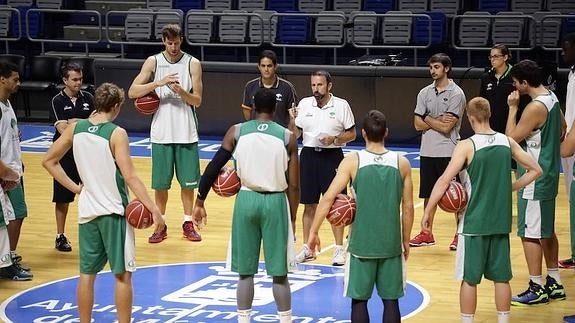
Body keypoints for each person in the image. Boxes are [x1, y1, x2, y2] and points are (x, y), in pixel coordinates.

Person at [42, 82, 165, 323]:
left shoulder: (75, 129)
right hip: (114, 212)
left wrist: (77, 188)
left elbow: (48, 161)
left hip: (87, 210)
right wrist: (154, 209)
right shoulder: (116, 133)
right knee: (122, 275)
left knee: (86, 275)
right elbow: (130, 176)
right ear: (116, 106)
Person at [422, 97, 542, 323]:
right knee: (502, 279)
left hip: (473, 224)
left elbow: (444, 181)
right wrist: (511, 187)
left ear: (470, 117)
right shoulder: (506, 141)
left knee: (469, 280)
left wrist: (428, 211)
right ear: (488, 115)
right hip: (500, 223)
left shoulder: (466, 145)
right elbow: (536, 169)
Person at [192, 88, 299, 323]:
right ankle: (285, 320)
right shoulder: (287, 136)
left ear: (252, 106)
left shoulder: (236, 131)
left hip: (246, 200)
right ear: (274, 109)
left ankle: (243, 319)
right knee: (280, 274)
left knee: (245, 272)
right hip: (275, 202)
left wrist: (200, 200)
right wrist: (292, 218)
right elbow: (294, 186)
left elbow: (213, 167)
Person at [306, 110, 414, 323]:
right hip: (390, 244)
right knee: (391, 301)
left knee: (359, 301)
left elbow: (328, 198)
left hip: (360, 245)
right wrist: (406, 239)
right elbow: (408, 207)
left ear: (363, 134)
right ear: (387, 133)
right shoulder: (401, 163)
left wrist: (313, 232)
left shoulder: (352, 161)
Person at [128, 23, 203, 243]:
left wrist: (181, 91)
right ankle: (160, 224)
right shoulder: (153, 61)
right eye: (169, 43)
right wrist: (158, 82)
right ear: (163, 41)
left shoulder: (193, 63)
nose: (173, 47)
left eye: (176, 43)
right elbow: (132, 92)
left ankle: (188, 222)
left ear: (181, 40)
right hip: (161, 131)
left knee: (188, 184)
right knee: (161, 184)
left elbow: (198, 99)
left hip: (186, 130)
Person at [506, 59, 566, 306]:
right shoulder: (552, 97)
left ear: (524, 83)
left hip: (534, 177)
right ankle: (554, 281)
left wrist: (512, 109)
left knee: (529, 234)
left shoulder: (533, 108)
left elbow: (510, 140)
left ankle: (537, 287)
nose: (514, 86)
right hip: (550, 172)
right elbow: (562, 127)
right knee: (546, 230)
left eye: (515, 82)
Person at [290, 70, 356, 266]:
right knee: (309, 204)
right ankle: (307, 248)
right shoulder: (303, 104)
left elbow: (352, 134)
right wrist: (293, 120)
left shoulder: (342, 105)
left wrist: (334, 139)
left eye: (319, 85)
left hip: (333, 157)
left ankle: (338, 249)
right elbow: (296, 135)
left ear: (329, 85)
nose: (316, 89)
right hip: (309, 156)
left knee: (336, 203)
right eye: (313, 85)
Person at [410, 53, 467, 250]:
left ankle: (459, 235)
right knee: (428, 194)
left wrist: (426, 118)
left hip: (449, 151)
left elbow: (446, 128)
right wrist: (434, 120)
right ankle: (426, 233)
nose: (432, 71)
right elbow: (416, 124)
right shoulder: (423, 92)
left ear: (446, 68)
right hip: (427, 151)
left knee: (457, 194)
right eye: (431, 67)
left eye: (436, 67)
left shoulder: (456, 94)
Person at [49, 62, 95, 252]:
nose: (78, 83)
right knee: (63, 198)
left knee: (92, 194)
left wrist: (75, 122)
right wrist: (82, 124)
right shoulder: (57, 101)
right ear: (65, 80)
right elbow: (61, 129)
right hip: (65, 155)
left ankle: (93, 234)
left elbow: (95, 123)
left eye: (80, 79)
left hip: (86, 153)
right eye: (74, 80)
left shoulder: (89, 97)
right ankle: (60, 236)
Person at [0, 61, 31, 273]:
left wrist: (18, 160)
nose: (18, 83)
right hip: (5, 173)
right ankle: (6, 261)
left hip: (13, 169)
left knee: (17, 214)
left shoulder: (8, 104)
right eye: (15, 79)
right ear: (2, 79)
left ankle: (8, 256)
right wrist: (7, 172)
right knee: (13, 215)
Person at [479, 44, 531, 135]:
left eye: (496, 56)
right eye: (491, 57)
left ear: (505, 57)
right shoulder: (486, 77)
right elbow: (483, 102)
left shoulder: (516, 76)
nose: (492, 59)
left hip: (512, 125)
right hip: (491, 127)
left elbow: (525, 101)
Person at [241, 50, 298, 128]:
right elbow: (247, 110)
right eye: (263, 66)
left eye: (269, 66)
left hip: (279, 134)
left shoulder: (287, 87)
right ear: (259, 67)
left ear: (275, 67)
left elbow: (293, 114)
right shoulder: (250, 86)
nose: (266, 69)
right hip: (257, 133)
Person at [559, 32, 575, 270]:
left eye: (567, 48)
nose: (563, 53)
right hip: (570, 139)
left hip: (573, 143)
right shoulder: (572, 73)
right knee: (572, 200)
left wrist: (567, 144)